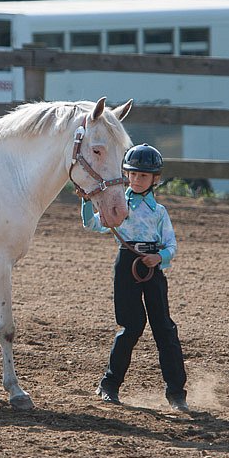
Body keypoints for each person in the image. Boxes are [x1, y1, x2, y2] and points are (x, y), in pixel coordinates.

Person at [81, 143, 188, 412]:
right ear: (126, 174)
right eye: (133, 174)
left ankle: (176, 393)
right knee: (130, 327)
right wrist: (85, 202)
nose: (137, 180)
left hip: (152, 267)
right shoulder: (118, 205)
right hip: (127, 265)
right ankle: (109, 385)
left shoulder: (159, 212)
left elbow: (171, 245)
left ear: (155, 179)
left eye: (143, 176)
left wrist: (160, 258)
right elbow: (94, 224)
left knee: (164, 328)